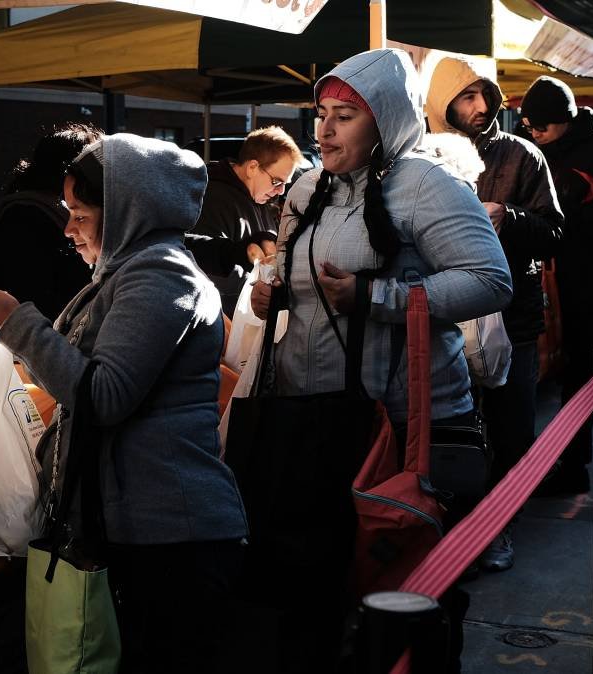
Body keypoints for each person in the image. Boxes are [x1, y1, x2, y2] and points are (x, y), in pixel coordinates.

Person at [249, 49, 512, 673]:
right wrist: (275, 291)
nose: (324, 129)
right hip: (312, 419)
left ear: (385, 122)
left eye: (345, 116)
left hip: (399, 427)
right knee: (319, 581)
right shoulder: (307, 188)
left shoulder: (426, 185)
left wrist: (380, 297)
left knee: (405, 584)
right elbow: (295, 272)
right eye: (321, 114)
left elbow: (490, 280)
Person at [0, 134, 248, 672]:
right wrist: (3, 331)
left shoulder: (161, 278)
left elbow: (101, 396)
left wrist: (17, 322)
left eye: (81, 214)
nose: (68, 228)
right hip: (136, 528)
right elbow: (78, 375)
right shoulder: (125, 274)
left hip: (170, 537)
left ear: (124, 213)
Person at [426, 57, 563, 571]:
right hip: (442, 320)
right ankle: (450, 525)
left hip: (513, 319)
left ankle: (498, 529)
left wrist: (513, 218)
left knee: (510, 432)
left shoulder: (521, 155)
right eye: (466, 97)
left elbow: (555, 231)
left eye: (485, 95)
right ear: (443, 104)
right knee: (452, 433)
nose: (481, 106)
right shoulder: (423, 157)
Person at [520, 76, 593, 496]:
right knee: (574, 378)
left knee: (584, 379)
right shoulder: (540, 153)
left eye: (542, 126)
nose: (533, 132)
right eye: (529, 125)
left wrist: (567, 224)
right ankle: (574, 466)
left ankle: (575, 468)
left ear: (566, 120)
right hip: (564, 288)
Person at [0, 122, 101, 321]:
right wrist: (9, 326)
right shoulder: (30, 220)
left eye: (80, 217)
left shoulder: (17, 210)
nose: (69, 230)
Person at [186, 126, 303, 312]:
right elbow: (208, 271)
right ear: (252, 167)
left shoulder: (258, 196)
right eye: (277, 182)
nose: (281, 191)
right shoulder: (213, 198)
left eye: (284, 185)